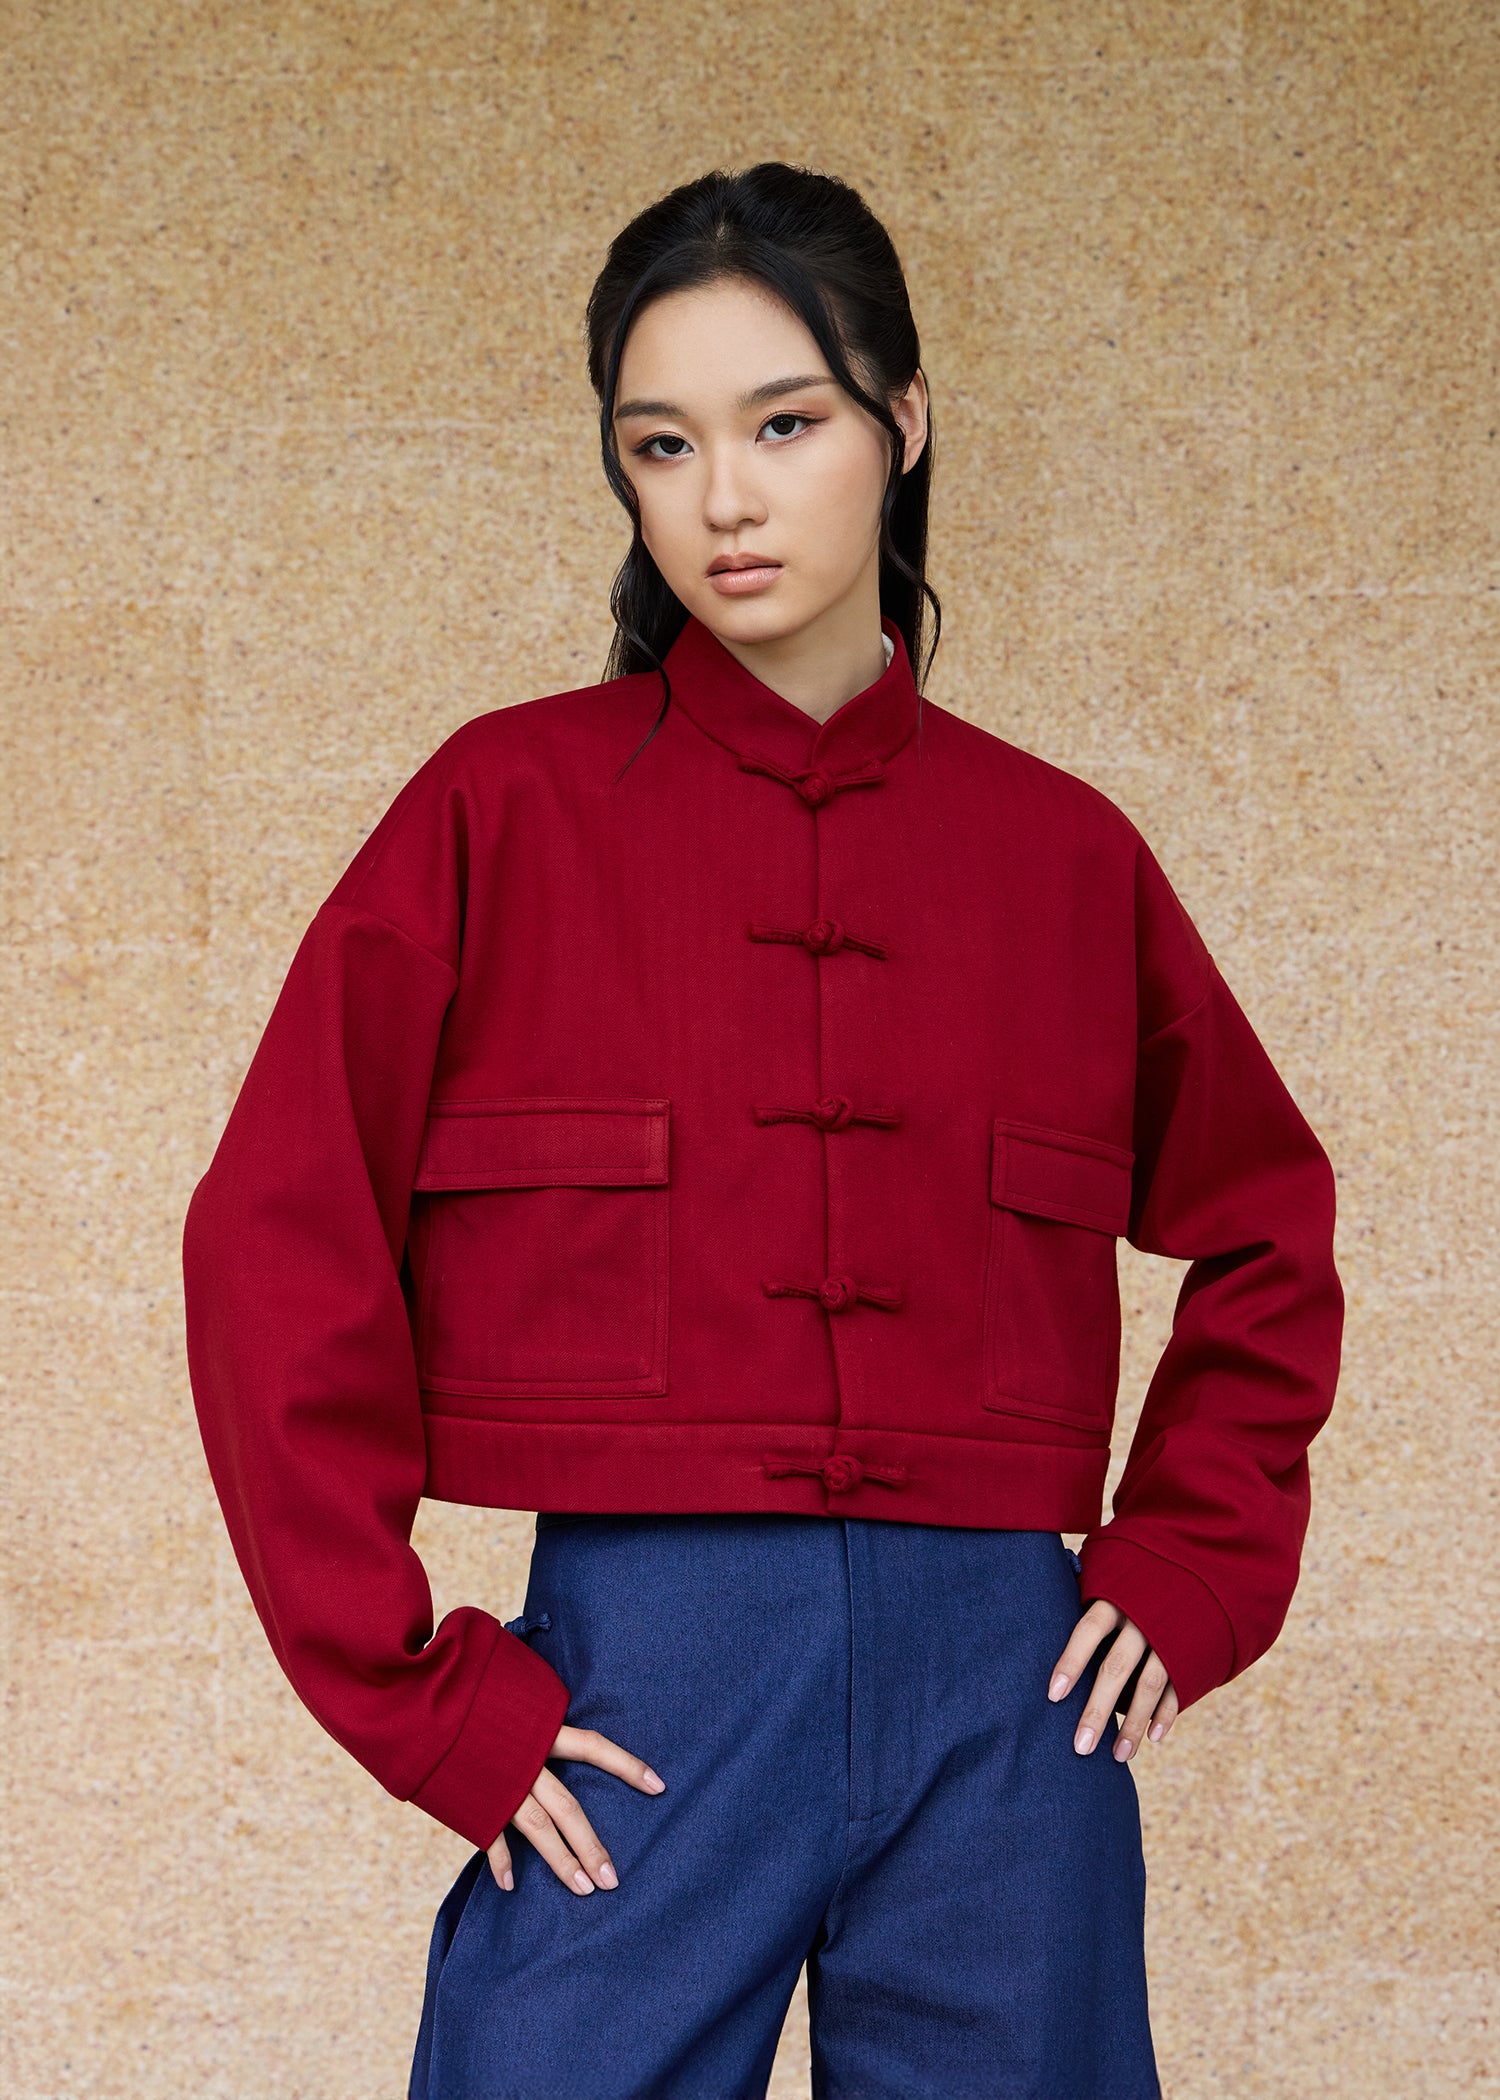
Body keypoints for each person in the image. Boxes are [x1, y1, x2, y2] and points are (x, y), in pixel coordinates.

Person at [182, 162, 1344, 2099]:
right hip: (649, 1671)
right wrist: (422, 1699)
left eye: (783, 425)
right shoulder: (503, 813)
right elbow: (268, 1245)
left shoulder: (1066, 859)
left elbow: (1269, 1228)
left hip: (1008, 1690)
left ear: (904, 425)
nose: (722, 497)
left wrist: (1192, 1555)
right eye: (662, 443)